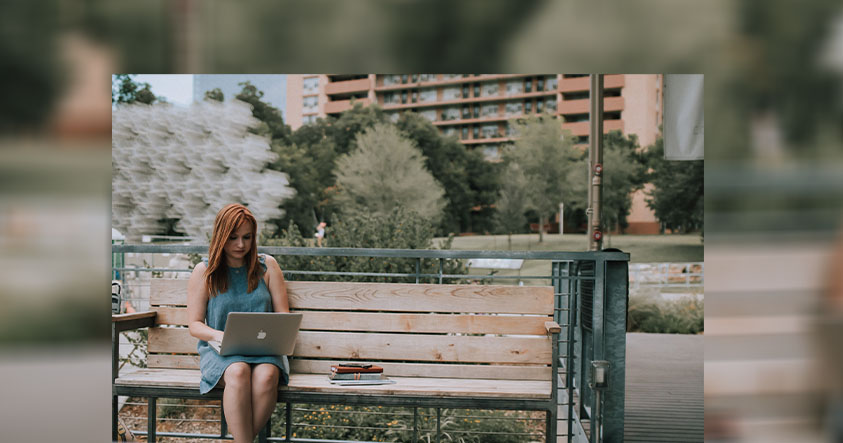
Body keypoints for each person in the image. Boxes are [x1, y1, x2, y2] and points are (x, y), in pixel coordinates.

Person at [187, 203, 291, 443]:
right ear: (220, 235)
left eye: (247, 237)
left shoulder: (268, 267)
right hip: (223, 352)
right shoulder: (204, 272)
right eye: (233, 238)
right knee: (238, 371)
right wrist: (218, 335)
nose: (241, 245)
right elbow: (194, 324)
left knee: (266, 377)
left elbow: (283, 317)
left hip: (265, 350)